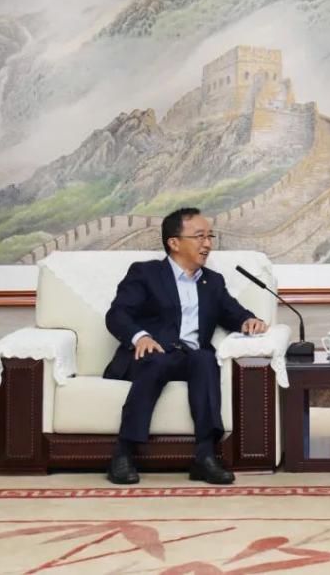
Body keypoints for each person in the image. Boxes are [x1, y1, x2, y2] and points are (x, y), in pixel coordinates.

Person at [103, 207, 268, 485]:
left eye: (210, 236)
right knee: (157, 359)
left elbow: (232, 312)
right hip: (151, 354)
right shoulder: (146, 273)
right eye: (199, 236)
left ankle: (205, 456)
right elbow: (117, 314)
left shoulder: (212, 281)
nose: (207, 244)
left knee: (205, 359)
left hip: (189, 357)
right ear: (174, 243)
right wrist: (140, 337)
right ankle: (124, 452)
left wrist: (249, 320)